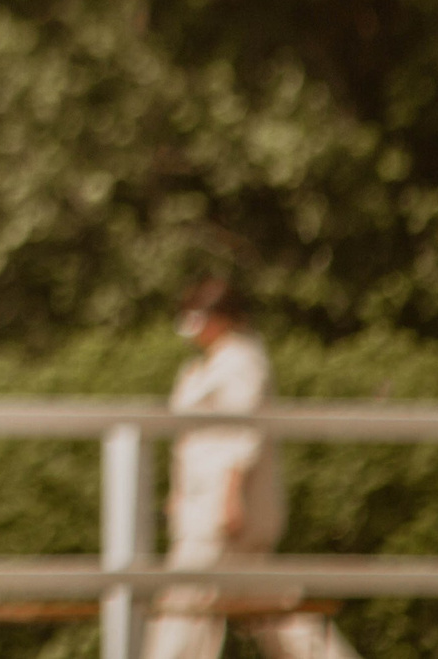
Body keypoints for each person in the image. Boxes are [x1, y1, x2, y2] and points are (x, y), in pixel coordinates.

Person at [145, 278, 362, 659]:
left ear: (222, 318)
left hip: (222, 513)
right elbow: (190, 440)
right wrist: (178, 493)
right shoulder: (203, 367)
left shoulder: (242, 362)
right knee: (274, 610)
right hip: (202, 508)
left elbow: (243, 433)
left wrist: (230, 497)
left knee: (184, 607)